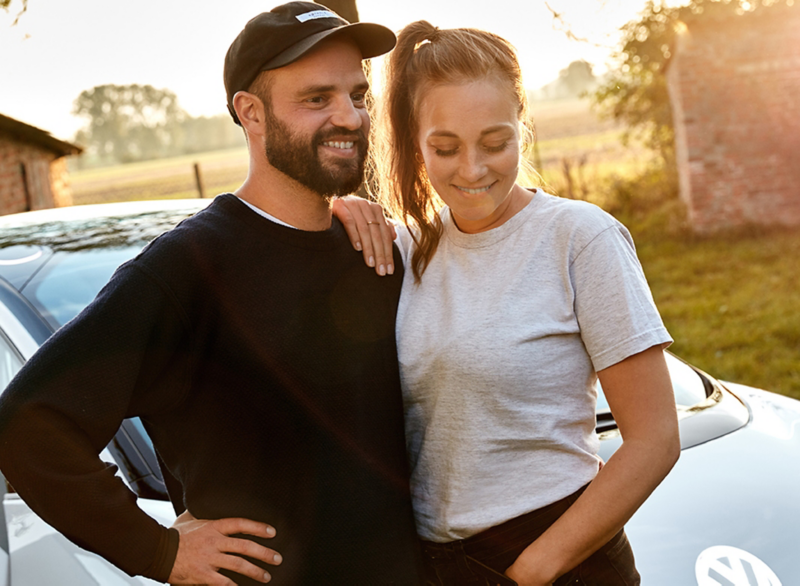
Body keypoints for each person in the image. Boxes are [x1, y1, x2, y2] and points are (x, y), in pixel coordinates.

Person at [0, 3, 424, 585]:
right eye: (317, 99)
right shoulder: (188, 269)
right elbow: (27, 425)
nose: (349, 117)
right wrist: (158, 551)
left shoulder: (372, 248)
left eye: (357, 94)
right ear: (250, 113)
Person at [334, 21, 681, 586]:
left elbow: (655, 440)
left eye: (495, 143)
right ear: (416, 144)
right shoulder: (406, 247)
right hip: (438, 562)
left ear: (523, 122)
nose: (472, 170)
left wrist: (531, 571)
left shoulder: (579, 237)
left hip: (559, 557)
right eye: (445, 148)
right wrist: (343, 211)